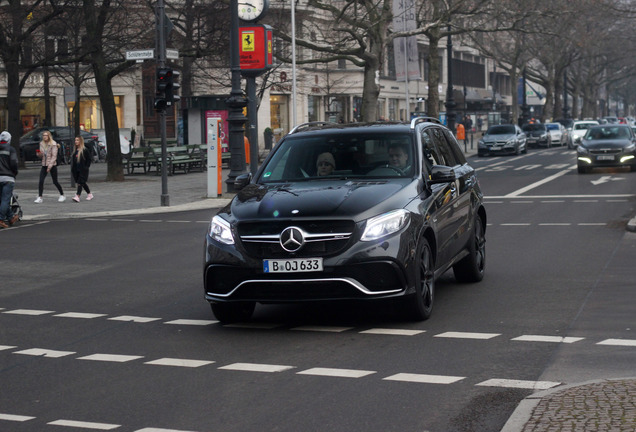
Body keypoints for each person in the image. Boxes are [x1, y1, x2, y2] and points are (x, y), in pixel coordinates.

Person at [35, 130, 65, 203]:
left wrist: (50, 166)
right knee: (41, 181)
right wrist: (39, 154)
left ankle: (62, 194)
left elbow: (54, 156)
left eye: (46, 135)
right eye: (43, 135)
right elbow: (42, 155)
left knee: (55, 181)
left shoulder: (53, 144)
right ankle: (40, 197)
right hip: (44, 164)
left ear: (49, 136)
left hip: (52, 165)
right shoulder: (41, 143)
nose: (44, 137)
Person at [0, 131, 19, 229]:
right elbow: (13, 163)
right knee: (5, 199)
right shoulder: (11, 149)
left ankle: (11, 217)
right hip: (8, 177)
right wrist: (14, 173)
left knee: (2, 199)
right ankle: (1, 219)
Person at [71, 136, 93, 202]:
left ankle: (77, 196)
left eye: (77, 140)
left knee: (80, 183)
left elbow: (89, 159)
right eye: (75, 140)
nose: (76, 142)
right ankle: (89, 194)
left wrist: (86, 167)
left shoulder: (84, 150)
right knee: (82, 183)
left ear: (81, 141)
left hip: (83, 170)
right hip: (76, 170)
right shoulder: (75, 151)